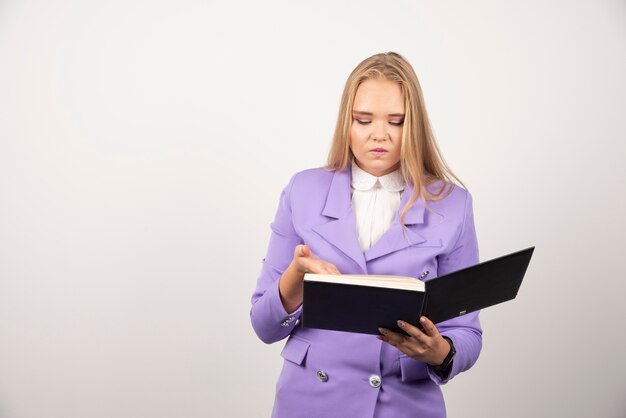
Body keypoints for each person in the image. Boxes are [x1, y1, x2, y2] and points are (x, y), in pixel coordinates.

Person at [250, 52, 481, 418]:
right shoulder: (302, 190)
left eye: (396, 121)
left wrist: (439, 351)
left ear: (414, 125)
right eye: (363, 119)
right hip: (310, 401)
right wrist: (296, 275)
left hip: (405, 404)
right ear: (347, 122)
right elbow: (263, 325)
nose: (379, 134)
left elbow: (467, 333)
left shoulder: (453, 204)